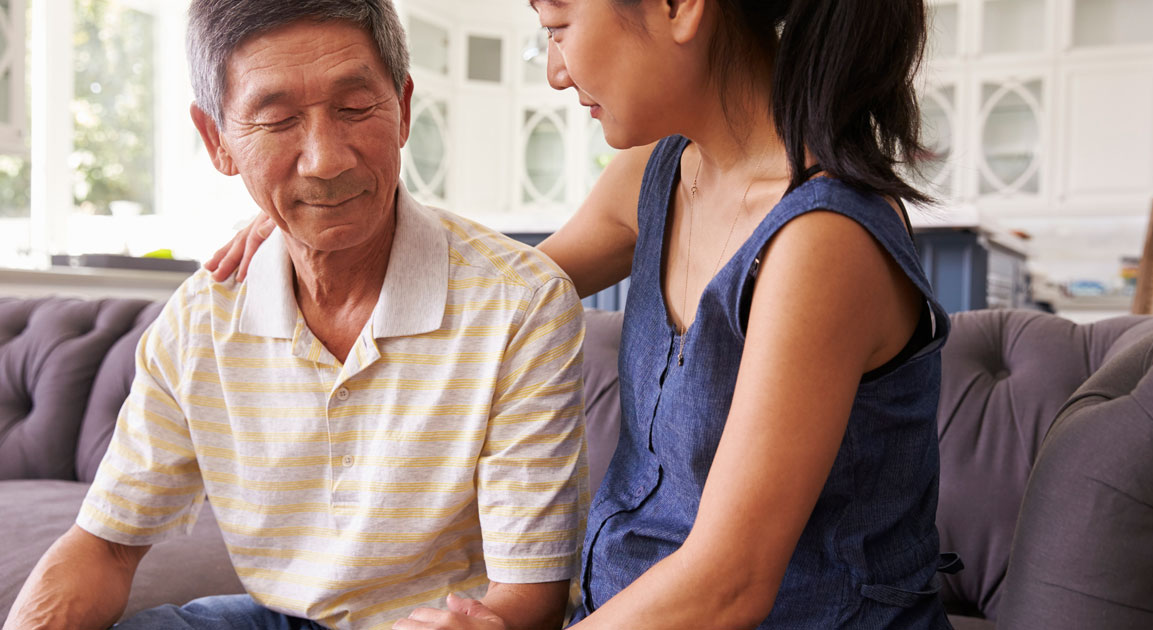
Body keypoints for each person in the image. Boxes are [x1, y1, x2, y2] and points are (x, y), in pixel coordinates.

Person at [208, 0, 959, 628]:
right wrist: (325, 226)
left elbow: (731, 581)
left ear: (678, 7)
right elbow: (493, 293)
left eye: (558, 25)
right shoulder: (660, 172)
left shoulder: (823, 242)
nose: (557, 71)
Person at [2, 2, 587, 630]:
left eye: (355, 107)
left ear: (404, 109)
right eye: (277, 119)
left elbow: (529, 600)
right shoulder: (202, 320)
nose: (325, 160)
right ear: (217, 140)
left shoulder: (521, 305)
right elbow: (106, 546)